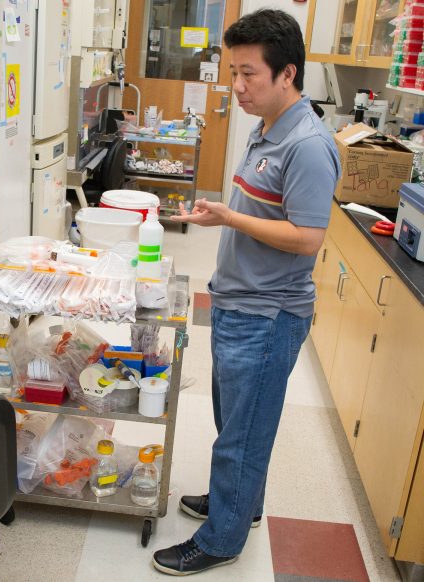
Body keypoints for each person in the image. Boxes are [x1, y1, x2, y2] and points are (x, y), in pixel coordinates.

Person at [152, 9, 340, 576]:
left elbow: (308, 238)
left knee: (241, 434)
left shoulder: (307, 144)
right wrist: (224, 218)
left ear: (287, 74)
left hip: (268, 314)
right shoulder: (266, 128)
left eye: (249, 74)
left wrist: (232, 219)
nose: (237, 86)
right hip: (239, 302)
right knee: (236, 422)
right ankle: (241, 503)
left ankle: (221, 540)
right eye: (233, 72)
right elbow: (264, 210)